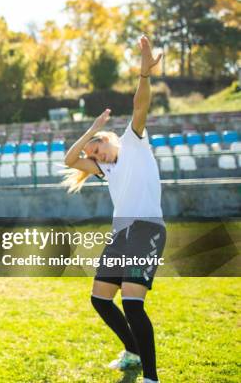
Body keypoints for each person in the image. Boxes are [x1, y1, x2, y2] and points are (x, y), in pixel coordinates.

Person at [62, 36, 165, 383]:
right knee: (101, 299)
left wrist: (144, 75)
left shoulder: (135, 141)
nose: (95, 155)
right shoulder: (104, 169)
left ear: (111, 139)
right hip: (122, 234)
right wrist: (89, 130)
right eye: (93, 154)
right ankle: (132, 352)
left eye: (97, 146)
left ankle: (151, 376)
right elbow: (69, 159)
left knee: (133, 305)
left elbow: (140, 105)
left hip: (147, 230)